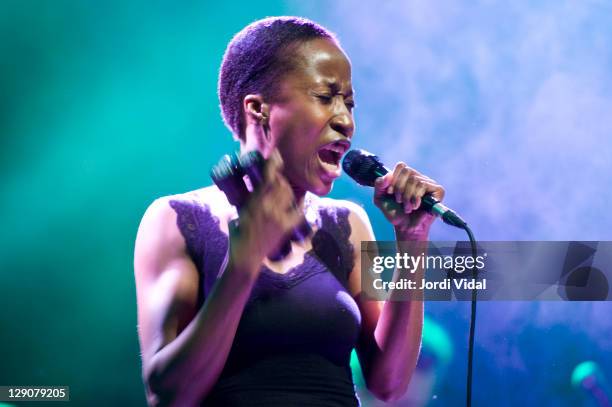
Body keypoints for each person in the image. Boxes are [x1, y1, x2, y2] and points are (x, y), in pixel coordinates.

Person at [134, 16, 445, 406]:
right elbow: (168, 394)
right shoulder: (179, 220)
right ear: (258, 108)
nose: (345, 121)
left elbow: (389, 385)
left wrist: (412, 241)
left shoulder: (345, 224)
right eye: (325, 96)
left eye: (349, 103)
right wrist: (243, 263)